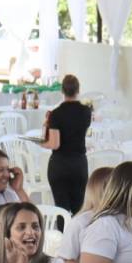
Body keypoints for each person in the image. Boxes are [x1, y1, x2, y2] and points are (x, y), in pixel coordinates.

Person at [43, 73, 93, 211]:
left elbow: (54, 144)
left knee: (61, 210)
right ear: (78, 90)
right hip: (79, 164)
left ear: (62, 91)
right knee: (79, 209)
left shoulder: (56, 114)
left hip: (60, 165)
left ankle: (62, 226)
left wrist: (41, 142)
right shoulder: (86, 112)